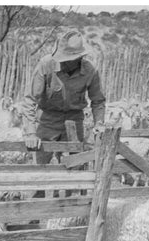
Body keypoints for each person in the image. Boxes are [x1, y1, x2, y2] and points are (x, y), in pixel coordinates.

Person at [21, 30, 106, 164]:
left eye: (67, 60)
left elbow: (98, 101)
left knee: (76, 164)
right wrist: (31, 133)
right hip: (47, 120)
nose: (64, 62)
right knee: (40, 166)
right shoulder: (46, 64)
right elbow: (30, 99)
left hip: (74, 120)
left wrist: (99, 123)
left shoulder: (90, 70)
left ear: (79, 58)